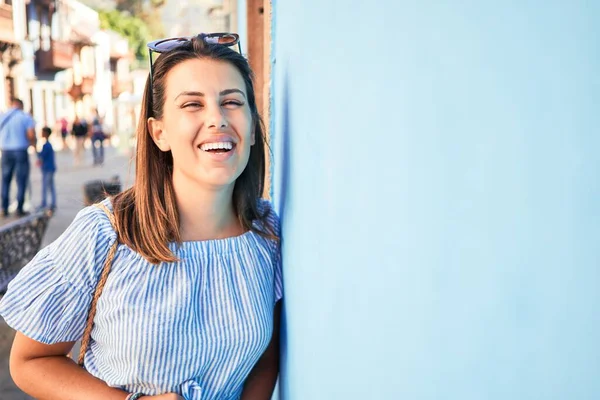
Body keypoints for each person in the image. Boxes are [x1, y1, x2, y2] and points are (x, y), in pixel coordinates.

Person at [0, 32, 283, 400]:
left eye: (231, 101)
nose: (217, 119)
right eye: (192, 105)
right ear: (159, 132)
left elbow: (267, 356)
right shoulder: (105, 233)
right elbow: (30, 362)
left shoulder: (267, 233)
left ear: (252, 126)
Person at [0, 98, 36, 217]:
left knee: (5, 180)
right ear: (21, 105)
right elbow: (31, 134)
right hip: (20, 150)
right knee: (21, 180)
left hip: (5, 151)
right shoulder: (25, 117)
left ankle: (4, 208)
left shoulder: (3, 117)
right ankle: (19, 208)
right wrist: (34, 145)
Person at [36, 126, 57, 211]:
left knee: (46, 186)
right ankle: (52, 203)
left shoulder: (46, 145)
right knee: (51, 186)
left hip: (47, 168)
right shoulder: (48, 145)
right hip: (50, 168)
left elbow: (41, 156)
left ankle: (44, 203)